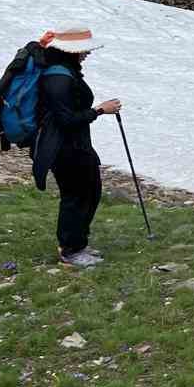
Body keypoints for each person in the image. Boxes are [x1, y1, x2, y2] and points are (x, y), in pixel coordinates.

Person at [31, 28, 121, 268]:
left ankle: (77, 244)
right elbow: (66, 120)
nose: (87, 53)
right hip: (64, 148)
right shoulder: (58, 78)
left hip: (75, 145)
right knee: (76, 196)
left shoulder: (64, 72)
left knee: (89, 192)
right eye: (84, 50)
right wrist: (100, 110)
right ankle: (70, 251)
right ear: (71, 51)